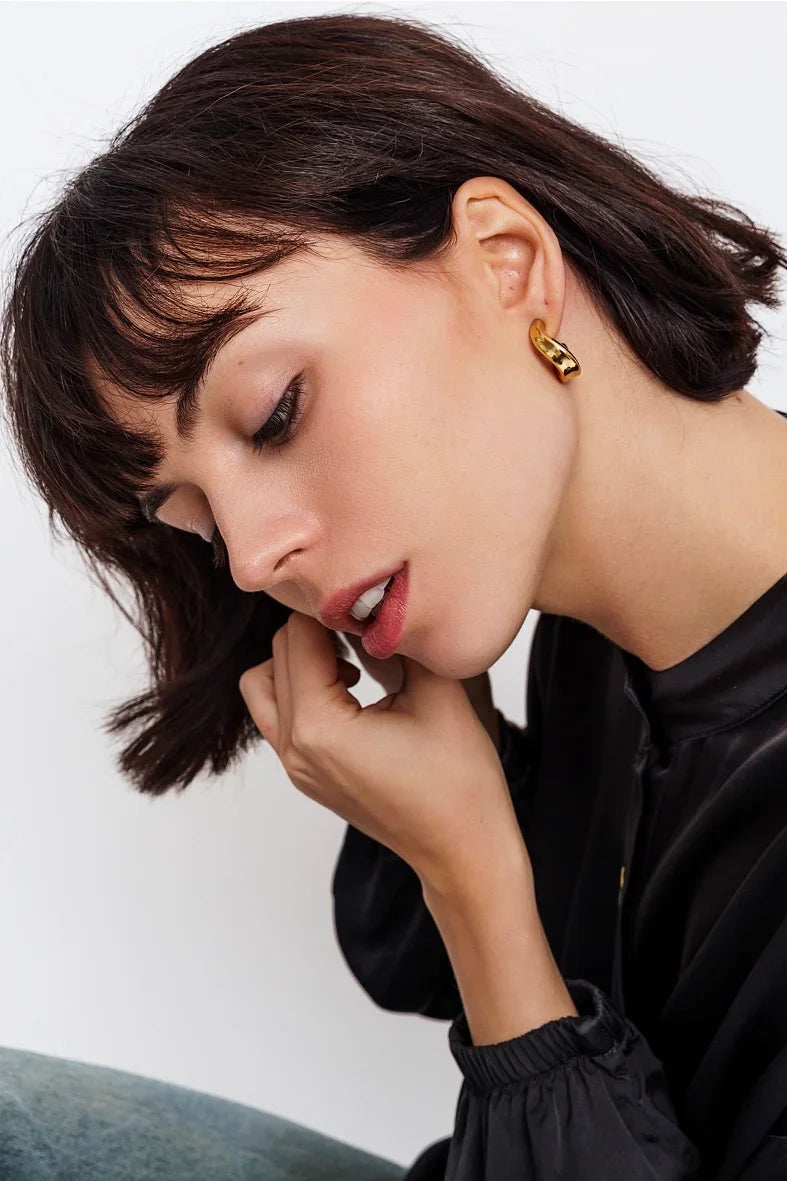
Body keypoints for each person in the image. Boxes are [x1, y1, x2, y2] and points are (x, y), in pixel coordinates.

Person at [2, 10, 786, 1180]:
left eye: (275, 413)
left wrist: (478, 884)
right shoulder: (596, 628)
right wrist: (465, 781)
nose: (251, 558)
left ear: (505, 261)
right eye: (195, 517)